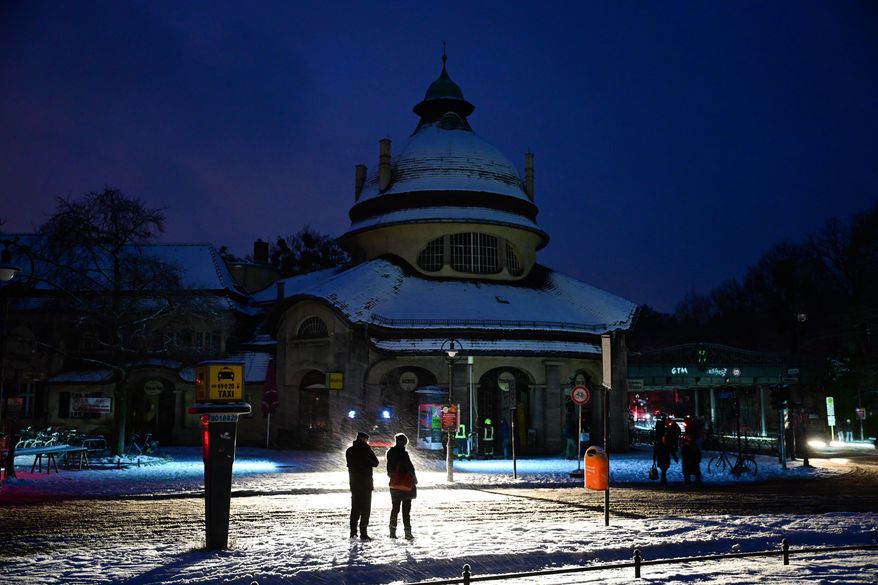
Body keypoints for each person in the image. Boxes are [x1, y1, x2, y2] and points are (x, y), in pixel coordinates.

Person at [345, 431, 379, 540]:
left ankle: (353, 532)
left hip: (354, 483)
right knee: (365, 509)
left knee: (355, 508)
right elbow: (376, 463)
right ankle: (363, 533)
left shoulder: (349, 451)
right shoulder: (366, 450)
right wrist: (367, 450)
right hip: (366, 484)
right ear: (364, 439)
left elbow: (350, 464)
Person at [386, 432, 417, 540]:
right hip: (405, 484)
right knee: (406, 511)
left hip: (394, 485)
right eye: (405, 442)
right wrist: (414, 479)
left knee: (395, 509)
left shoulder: (390, 452)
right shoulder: (403, 453)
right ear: (402, 442)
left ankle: (392, 531)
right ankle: (407, 533)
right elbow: (410, 469)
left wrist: (394, 476)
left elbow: (389, 470)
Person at [681, 416, 702, 487]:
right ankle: (694, 481)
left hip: (689, 458)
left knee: (689, 470)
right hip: (691, 457)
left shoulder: (690, 427)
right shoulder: (694, 427)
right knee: (694, 469)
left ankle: (689, 482)